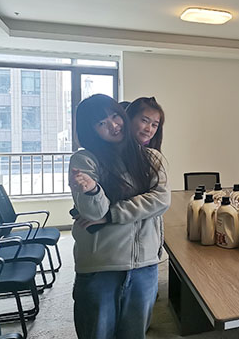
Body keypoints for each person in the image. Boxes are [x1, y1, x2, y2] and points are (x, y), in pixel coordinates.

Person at [68, 94, 170, 339]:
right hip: (102, 266)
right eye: (101, 123)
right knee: (97, 333)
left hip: (144, 265)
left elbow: (161, 200)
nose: (113, 125)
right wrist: (93, 190)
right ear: (90, 130)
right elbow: (93, 212)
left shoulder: (150, 157)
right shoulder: (85, 160)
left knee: (135, 334)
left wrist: (112, 214)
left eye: (115, 116)